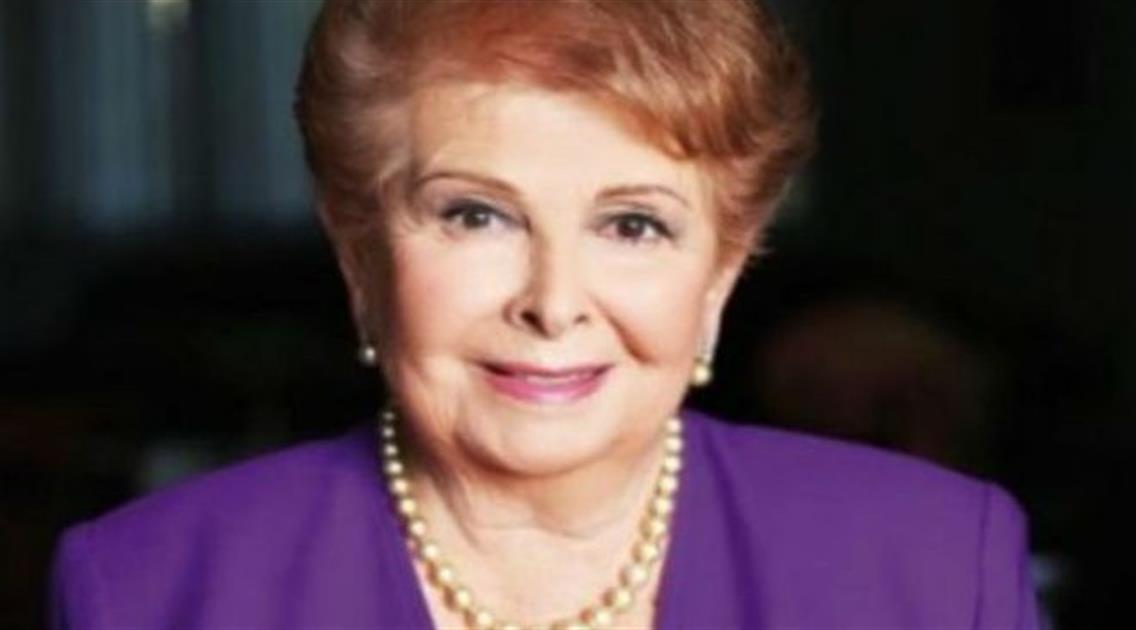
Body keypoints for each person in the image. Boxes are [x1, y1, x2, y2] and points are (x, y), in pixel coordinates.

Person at [51, 1, 1040, 628]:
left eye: (634, 225)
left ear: (721, 272)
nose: (554, 304)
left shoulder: (937, 568)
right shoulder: (150, 587)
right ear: (361, 256)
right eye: (476, 215)